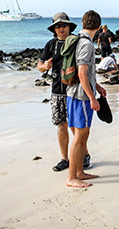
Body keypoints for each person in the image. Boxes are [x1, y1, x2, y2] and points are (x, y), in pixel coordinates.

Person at [37, 12, 91, 172]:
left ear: (69, 26)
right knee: (61, 126)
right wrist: (44, 66)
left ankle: (84, 155)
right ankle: (64, 159)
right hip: (56, 91)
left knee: (76, 126)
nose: (61, 28)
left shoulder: (77, 42)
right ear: (54, 29)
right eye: (58, 26)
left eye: (64, 25)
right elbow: (39, 65)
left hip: (74, 91)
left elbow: (85, 67)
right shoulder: (51, 45)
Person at [65, 10, 107, 188]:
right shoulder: (87, 44)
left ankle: (79, 172)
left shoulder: (77, 39)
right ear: (98, 26)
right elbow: (82, 73)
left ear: (83, 24)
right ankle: (71, 177)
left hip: (72, 93)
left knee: (82, 135)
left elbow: (85, 72)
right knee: (80, 136)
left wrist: (97, 86)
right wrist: (93, 98)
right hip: (81, 96)